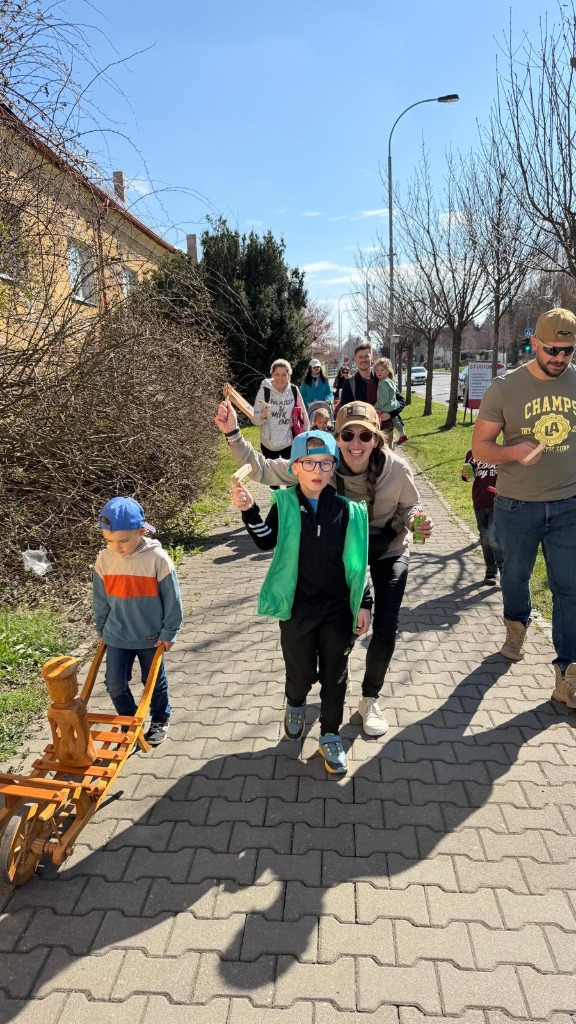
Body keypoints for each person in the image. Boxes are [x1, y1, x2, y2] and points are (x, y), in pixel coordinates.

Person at [215, 399, 433, 737]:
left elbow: (411, 507)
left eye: (365, 435)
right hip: (343, 549)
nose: (356, 443)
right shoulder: (321, 461)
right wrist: (232, 433)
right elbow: (262, 468)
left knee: (386, 625)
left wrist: (417, 519)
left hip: (386, 549)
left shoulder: (396, 469)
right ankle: (324, 679)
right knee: (336, 632)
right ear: (337, 438)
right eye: (348, 435)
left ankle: (370, 699)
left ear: (376, 439)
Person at [232, 430, 372, 774]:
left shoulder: (347, 510)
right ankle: (295, 702)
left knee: (335, 675)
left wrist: (365, 603)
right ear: (294, 467)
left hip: (338, 610)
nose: (317, 471)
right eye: (308, 463)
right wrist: (249, 510)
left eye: (325, 463)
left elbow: (358, 562)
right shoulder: (285, 505)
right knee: (300, 672)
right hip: (297, 610)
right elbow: (265, 541)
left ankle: (330, 734)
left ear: (333, 467)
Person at [472, 307, 576, 706]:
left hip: (568, 505)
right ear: (534, 343)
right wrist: (514, 451)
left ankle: (567, 673)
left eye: (568, 351)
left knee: (569, 586)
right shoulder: (505, 387)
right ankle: (516, 626)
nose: (560, 358)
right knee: (515, 575)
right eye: (552, 350)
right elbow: (481, 447)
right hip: (517, 506)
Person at [92, 496, 183, 745]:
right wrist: (101, 628)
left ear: (141, 531)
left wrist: (169, 632)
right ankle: (130, 720)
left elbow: (172, 599)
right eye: (109, 540)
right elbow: (100, 599)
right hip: (116, 634)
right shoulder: (104, 559)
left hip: (150, 636)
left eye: (123, 540)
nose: (117, 547)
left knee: (152, 682)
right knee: (114, 684)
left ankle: (161, 717)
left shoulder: (157, 559)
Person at [253, 359, 309, 462]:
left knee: (290, 470)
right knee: (272, 471)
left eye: (284, 375)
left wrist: (306, 435)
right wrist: (261, 416)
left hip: (289, 442)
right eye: (277, 374)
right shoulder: (264, 391)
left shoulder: (293, 390)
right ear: (272, 374)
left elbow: (303, 414)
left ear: (289, 375)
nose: (280, 378)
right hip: (269, 444)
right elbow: (255, 420)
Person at [461, 450, 502, 585]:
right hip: (479, 501)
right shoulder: (471, 454)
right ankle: (491, 570)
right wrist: (466, 475)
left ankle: (504, 570)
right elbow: (470, 477)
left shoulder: (501, 451)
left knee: (492, 536)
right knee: (484, 537)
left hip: (498, 502)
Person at [374, 357, 408, 446]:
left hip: (386, 406)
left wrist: (376, 406)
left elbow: (383, 399)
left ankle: (402, 435)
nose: (379, 372)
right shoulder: (389, 380)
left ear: (387, 370)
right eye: (377, 370)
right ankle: (402, 434)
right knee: (395, 419)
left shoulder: (383, 383)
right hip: (393, 405)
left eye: (382, 370)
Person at [339, 342, 378, 407]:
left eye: (366, 356)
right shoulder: (349, 383)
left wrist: (388, 413)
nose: (363, 360)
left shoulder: (380, 379)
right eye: (360, 357)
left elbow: (396, 401)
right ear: (355, 360)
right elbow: (345, 408)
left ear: (372, 358)